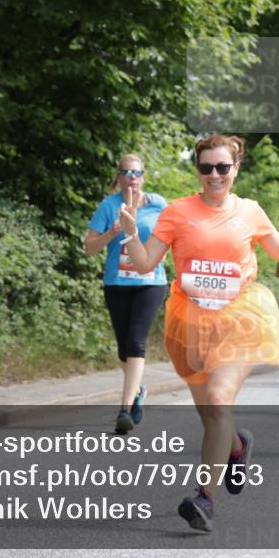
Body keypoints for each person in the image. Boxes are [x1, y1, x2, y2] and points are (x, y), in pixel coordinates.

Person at [119, 134, 279, 532]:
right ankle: (238, 447)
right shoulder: (177, 211)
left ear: (235, 168)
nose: (215, 175)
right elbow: (144, 265)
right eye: (207, 167)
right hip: (190, 322)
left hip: (240, 318)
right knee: (213, 417)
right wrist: (131, 232)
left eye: (223, 167)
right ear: (198, 170)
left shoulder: (250, 211)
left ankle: (205, 498)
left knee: (218, 399)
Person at [84, 154, 167, 434]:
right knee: (124, 349)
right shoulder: (109, 206)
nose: (131, 177)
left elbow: (173, 238)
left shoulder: (157, 204)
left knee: (136, 343)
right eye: (125, 172)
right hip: (117, 282)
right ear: (118, 177)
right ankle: (139, 389)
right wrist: (112, 232)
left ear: (143, 176)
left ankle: (124, 408)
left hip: (151, 281)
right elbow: (89, 247)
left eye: (136, 172)